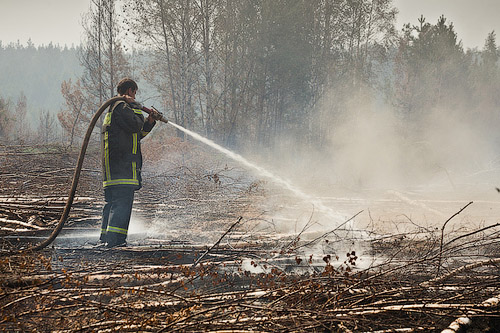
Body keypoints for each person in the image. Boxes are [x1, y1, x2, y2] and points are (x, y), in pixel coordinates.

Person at [99, 78, 159, 248]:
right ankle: (115, 242)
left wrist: (150, 122)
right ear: (130, 91)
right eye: (135, 92)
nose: (135, 96)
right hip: (122, 168)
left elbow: (137, 134)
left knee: (112, 204)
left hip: (115, 168)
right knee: (122, 205)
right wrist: (137, 108)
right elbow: (135, 124)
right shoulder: (122, 107)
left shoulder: (114, 109)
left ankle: (106, 239)